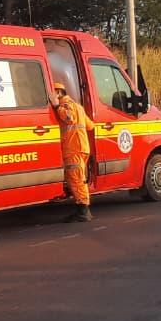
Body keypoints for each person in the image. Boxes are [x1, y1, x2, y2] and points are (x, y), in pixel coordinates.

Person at [49, 81, 96, 222]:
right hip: (82, 148)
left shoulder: (65, 105)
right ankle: (82, 209)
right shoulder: (79, 107)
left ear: (58, 93)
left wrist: (57, 106)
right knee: (79, 178)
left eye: (53, 93)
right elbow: (90, 126)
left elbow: (70, 118)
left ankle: (83, 211)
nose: (51, 96)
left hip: (73, 149)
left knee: (76, 180)